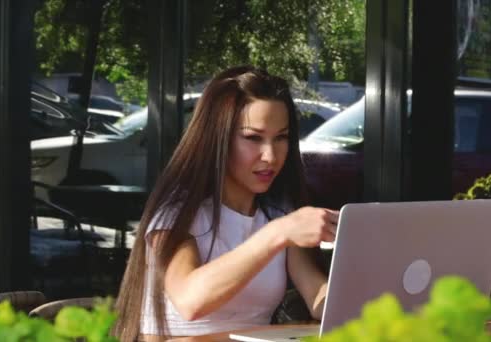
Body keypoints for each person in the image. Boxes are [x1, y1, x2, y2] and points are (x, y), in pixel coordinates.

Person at [113, 65, 337, 341]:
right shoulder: (177, 212)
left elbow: (316, 294)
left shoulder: (277, 212)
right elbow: (190, 300)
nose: (270, 155)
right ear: (218, 139)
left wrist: (372, 303)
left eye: (281, 138)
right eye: (253, 138)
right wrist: (278, 233)